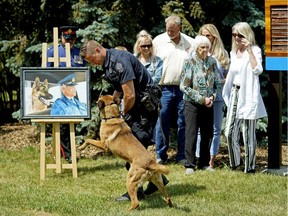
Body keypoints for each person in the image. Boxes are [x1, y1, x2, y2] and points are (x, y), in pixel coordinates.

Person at [79, 40, 168, 201]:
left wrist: (121, 112)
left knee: (134, 151)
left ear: (98, 50)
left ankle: (135, 191)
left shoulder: (119, 61)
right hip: (135, 107)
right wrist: (114, 101)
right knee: (131, 151)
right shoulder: (108, 63)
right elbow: (120, 89)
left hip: (144, 109)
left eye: (93, 59)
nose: (93, 64)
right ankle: (156, 178)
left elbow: (130, 95)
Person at [222, 22, 267, 174]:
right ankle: (235, 163)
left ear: (247, 35)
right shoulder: (233, 53)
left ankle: (250, 167)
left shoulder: (255, 50)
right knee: (229, 132)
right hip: (235, 93)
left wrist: (249, 51)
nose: (236, 38)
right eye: (234, 34)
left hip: (248, 95)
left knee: (248, 134)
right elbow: (232, 74)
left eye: (240, 35)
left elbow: (258, 70)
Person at [152, 15, 194, 164]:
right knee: (162, 120)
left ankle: (182, 155)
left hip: (184, 89)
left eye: (172, 30)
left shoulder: (190, 42)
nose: (169, 33)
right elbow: (152, 63)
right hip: (164, 88)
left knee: (183, 122)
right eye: (167, 30)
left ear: (179, 28)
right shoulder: (158, 41)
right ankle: (161, 155)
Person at [179, 35, 222, 174]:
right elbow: (184, 86)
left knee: (207, 132)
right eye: (202, 47)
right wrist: (201, 99)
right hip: (192, 103)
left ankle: (204, 162)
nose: (205, 50)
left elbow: (217, 83)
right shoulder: (189, 61)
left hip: (208, 103)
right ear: (196, 48)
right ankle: (189, 164)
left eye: (207, 47)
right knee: (191, 133)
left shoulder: (212, 62)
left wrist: (212, 97)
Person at [47, 26, 86, 163]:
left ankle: (65, 151)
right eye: (67, 39)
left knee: (71, 123)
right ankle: (68, 154)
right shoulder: (53, 52)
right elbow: (46, 73)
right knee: (62, 125)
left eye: (73, 39)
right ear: (62, 38)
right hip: (59, 93)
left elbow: (83, 73)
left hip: (73, 93)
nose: (70, 42)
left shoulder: (78, 53)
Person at [196, 24, 230, 168]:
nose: (205, 38)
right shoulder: (197, 53)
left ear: (214, 37)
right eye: (202, 35)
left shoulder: (223, 54)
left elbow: (228, 76)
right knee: (200, 129)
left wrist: (221, 80)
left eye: (208, 35)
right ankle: (199, 158)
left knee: (215, 129)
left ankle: (211, 159)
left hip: (217, 96)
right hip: (202, 97)